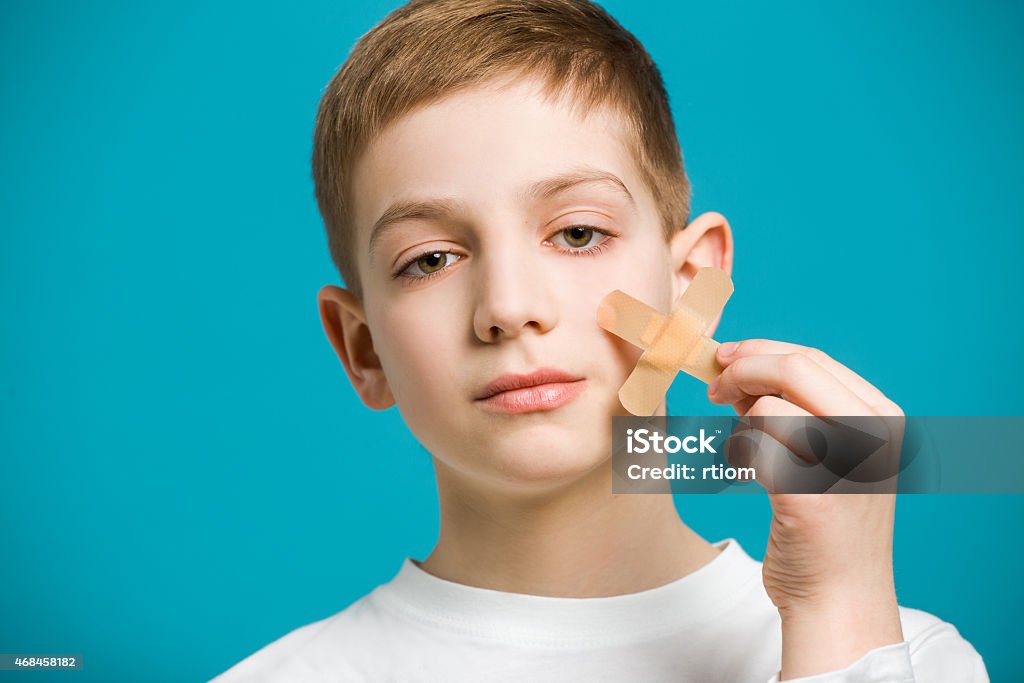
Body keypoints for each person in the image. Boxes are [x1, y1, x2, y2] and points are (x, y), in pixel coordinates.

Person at [213, 1, 988, 680]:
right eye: (432, 260)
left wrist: (838, 608)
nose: (508, 308)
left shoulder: (901, 657)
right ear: (364, 349)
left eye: (578, 233)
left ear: (690, 284)